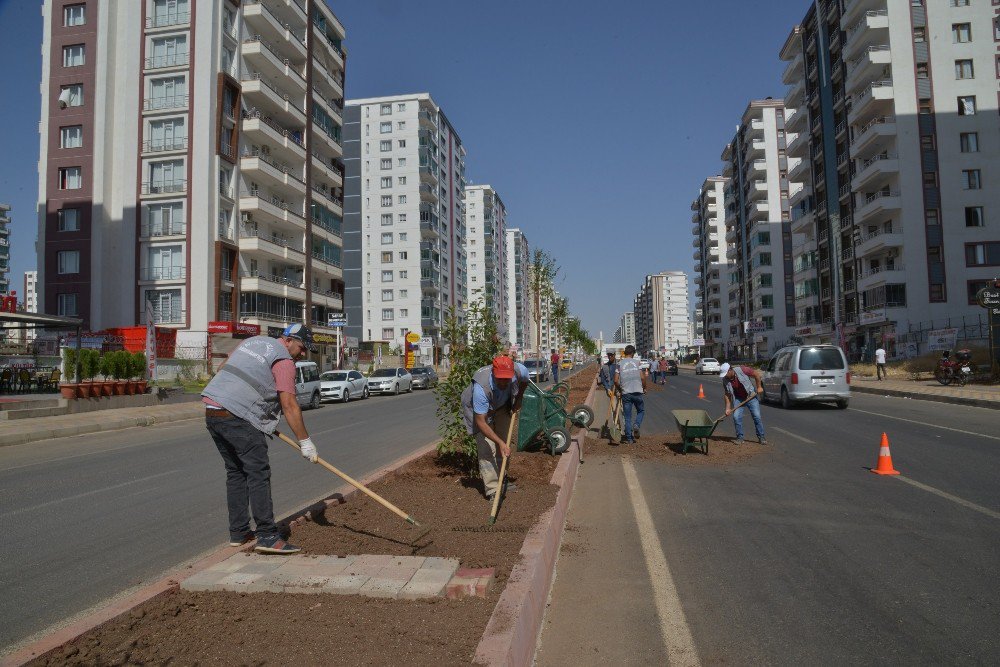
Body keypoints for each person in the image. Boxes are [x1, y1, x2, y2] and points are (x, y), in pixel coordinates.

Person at [201, 323, 319, 555]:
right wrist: (305, 441)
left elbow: (223, 367)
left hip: (213, 410)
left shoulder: (252, 342)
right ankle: (267, 535)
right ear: (288, 340)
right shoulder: (284, 360)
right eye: (302, 347)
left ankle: (239, 532)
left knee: (236, 472)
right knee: (258, 473)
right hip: (238, 416)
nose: (302, 353)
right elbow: (289, 404)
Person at [461, 355, 530, 501]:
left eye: (507, 378)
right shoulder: (481, 388)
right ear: (493, 373)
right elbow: (481, 422)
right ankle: (492, 489)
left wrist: (519, 399)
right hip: (479, 411)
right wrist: (498, 442)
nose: (504, 382)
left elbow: (525, 381)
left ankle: (502, 479)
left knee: (504, 444)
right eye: (500, 379)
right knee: (487, 448)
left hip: (501, 405)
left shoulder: (519, 370)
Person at [719, 362, 766, 445]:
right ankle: (740, 438)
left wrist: (759, 387)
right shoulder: (725, 380)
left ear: (730, 370)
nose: (725, 376)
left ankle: (761, 437)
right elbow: (727, 394)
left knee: (757, 416)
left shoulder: (742, 369)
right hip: (738, 398)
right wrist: (727, 408)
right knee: (736, 417)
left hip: (750, 396)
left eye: (726, 374)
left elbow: (756, 374)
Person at [614, 345, 647, 444]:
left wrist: (620, 389)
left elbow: (615, 380)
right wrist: (644, 388)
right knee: (641, 410)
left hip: (626, 393)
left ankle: (629, 439)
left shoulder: (619, 364)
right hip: (637, 391)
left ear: (625, 353)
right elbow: (642, 378)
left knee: (627, 417)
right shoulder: (637, 363)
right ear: (633, 353)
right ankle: (636, 425)